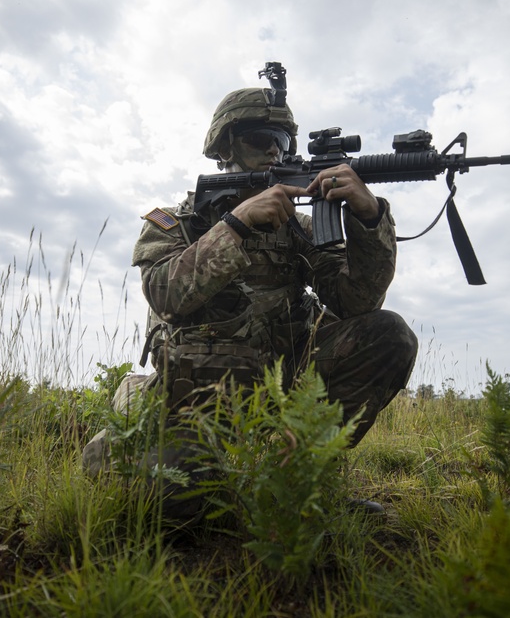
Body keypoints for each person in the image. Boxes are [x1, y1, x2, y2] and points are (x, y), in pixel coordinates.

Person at [83, 84, 418, 517]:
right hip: (193, 403)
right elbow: (165, 295)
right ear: (225, 145)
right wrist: (236, 225)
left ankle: (301, 480)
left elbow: (358, 302)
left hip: (281, 392)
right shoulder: (176, 223)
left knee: (389, 335)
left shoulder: (299, 227)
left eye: (281, 142)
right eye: (260, 140)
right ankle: (137, 415)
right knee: (176, 505)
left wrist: (369, 219)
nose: (274, 152)